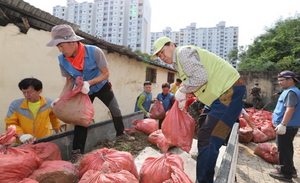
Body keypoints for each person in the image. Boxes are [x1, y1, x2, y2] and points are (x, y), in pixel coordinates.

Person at [151, 36, 246, 183]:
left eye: (163, 52)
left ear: (171, 44)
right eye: (159, 56)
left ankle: (204, 179)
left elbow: (200, 77)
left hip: (229, 91)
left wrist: (183, 91)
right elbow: (197, 81)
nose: (162, 57)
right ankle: (210, 153)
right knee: (205, 126)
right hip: (219, 96)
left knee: (208, 136)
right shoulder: (178, 64)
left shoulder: (182, 53)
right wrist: (186, 93)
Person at [46, 24, 134, 163]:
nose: (60, 50)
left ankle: (121, 134)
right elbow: (69, 81)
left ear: (72, 41)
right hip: (83, 92)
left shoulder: (94, 52)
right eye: (58, 47)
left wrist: (89, 83)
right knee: (81, 119)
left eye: (61, 45)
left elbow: (106, 74)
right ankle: (77, 152)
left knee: (115, 109)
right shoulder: (62, 60)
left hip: (101, 86)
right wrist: (60, 99)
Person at [4, 78, 60, 144]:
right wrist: (22, 135)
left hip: (43, 142)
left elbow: (54, 120)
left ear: (39, 91)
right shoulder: (16, 105)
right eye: (24, 92)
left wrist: (58, 135)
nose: (26, 95)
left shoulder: (49, 103)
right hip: (23, 143)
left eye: (30, 92)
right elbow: (10, 124)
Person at [269, 71, 300, 182]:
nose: (279, 83)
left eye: (282, 80)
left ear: (290, 80)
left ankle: (286, 174)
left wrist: (283, 124)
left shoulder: (291, 92)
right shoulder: (289, 91)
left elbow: (290, 109)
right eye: (278, 80)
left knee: (284, 150)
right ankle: (290, 170)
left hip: (287, 126)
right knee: (287, 149)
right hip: (289, 126)